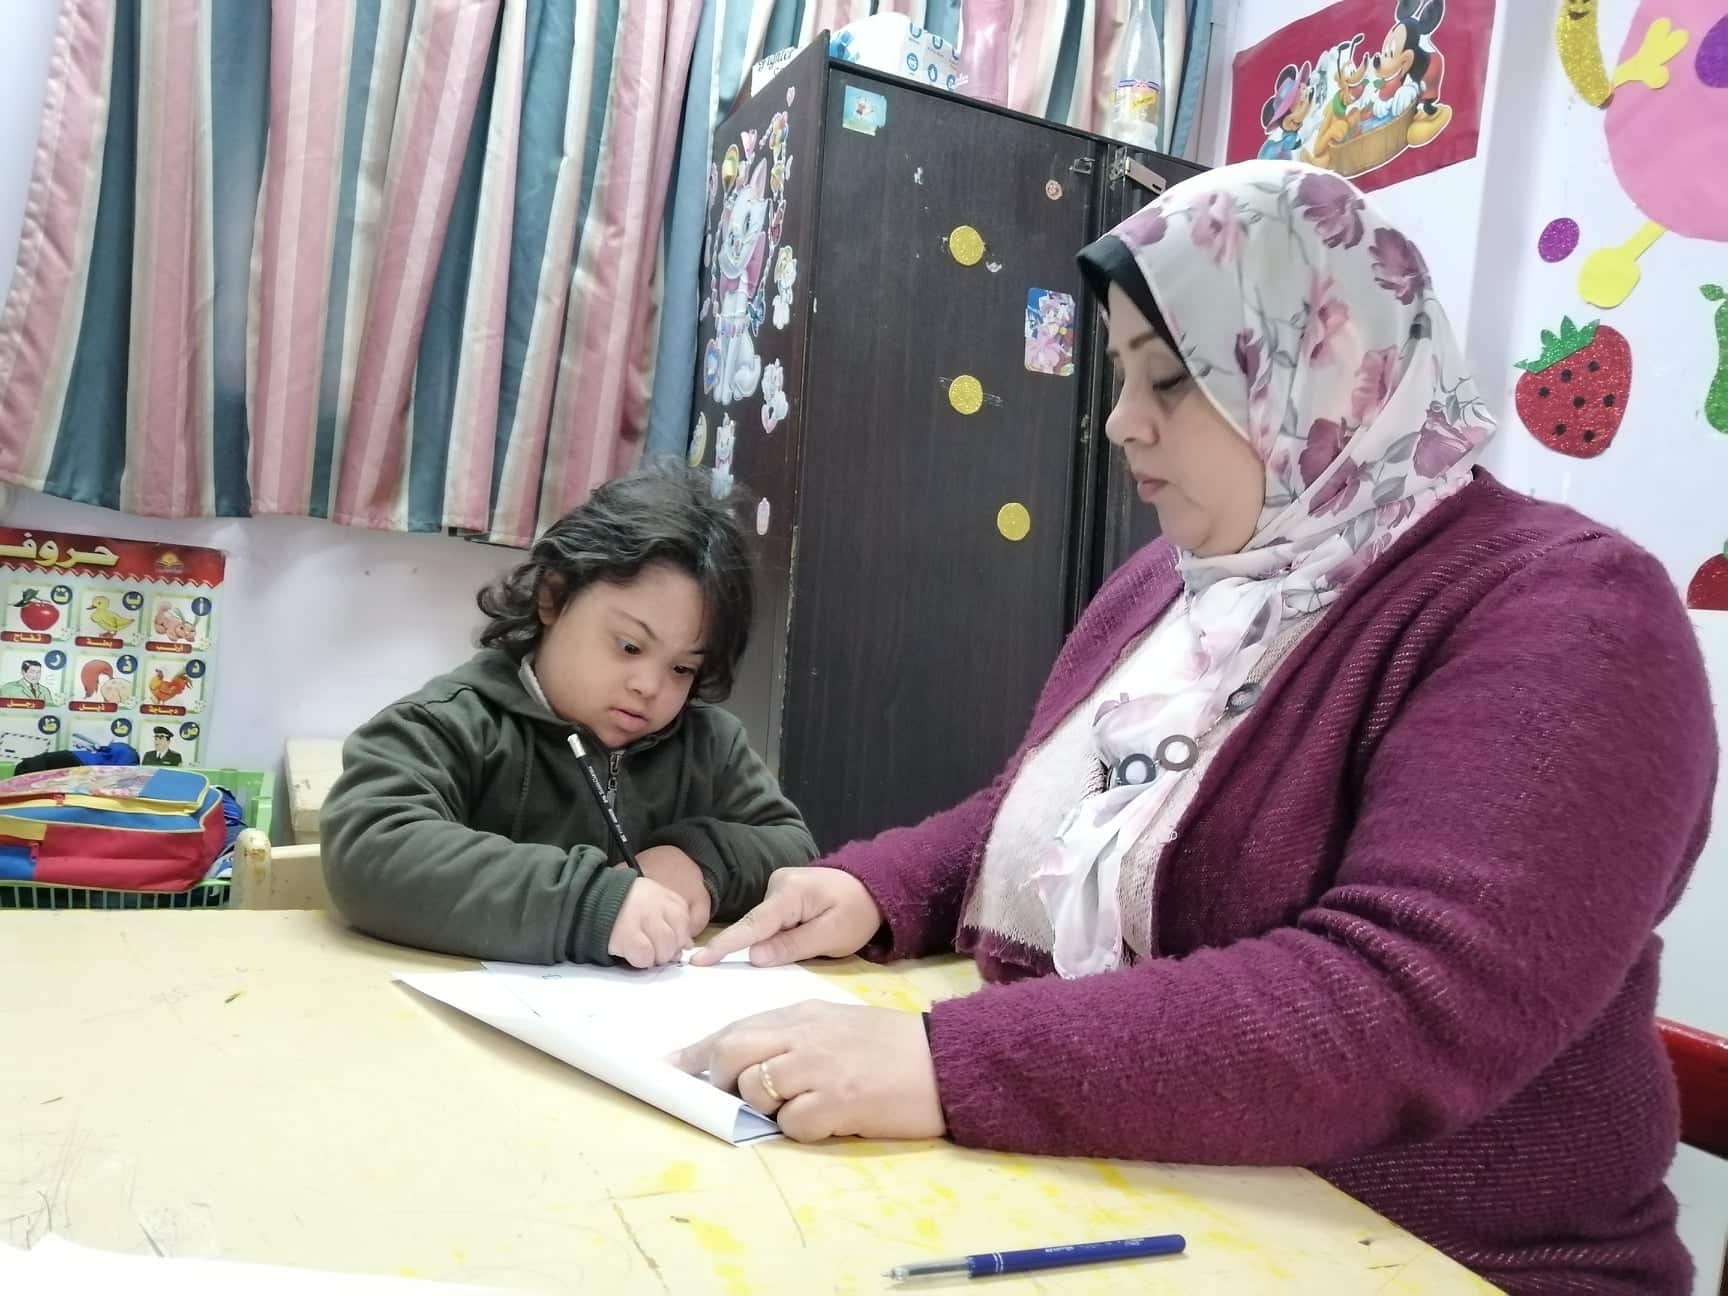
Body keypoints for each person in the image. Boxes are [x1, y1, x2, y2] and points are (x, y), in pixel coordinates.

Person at [676, 162, 1717, 1295]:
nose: (1120, 423)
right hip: (1161, 1204)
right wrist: (879, 889)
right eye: (1122, 376)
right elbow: (1055, 807)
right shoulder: (1179, 585)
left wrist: (948, 1060)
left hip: (1442, 1262)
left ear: (1324, 362)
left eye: (1168, 378)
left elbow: (1409, 1000)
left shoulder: (1567, 609)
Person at [321, 461, 817, 968]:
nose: (649, 686)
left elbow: (794, 847)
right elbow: (369, 847)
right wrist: (588, 903)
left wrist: (699, 860)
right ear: (553, 598)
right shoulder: (449, 724)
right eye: (629, 646)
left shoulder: (709, 744)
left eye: (682, 668)